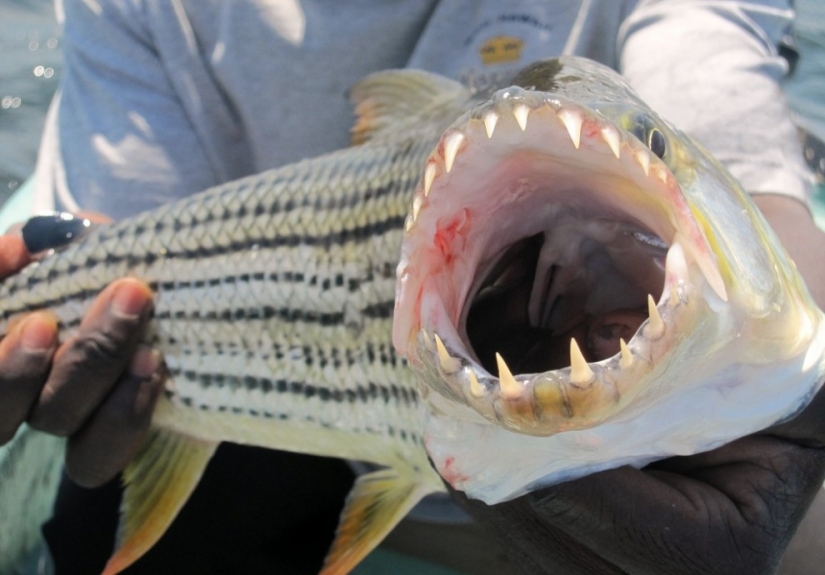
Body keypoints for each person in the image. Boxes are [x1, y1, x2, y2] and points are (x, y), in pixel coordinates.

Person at [2, 0, 824, 573]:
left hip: (593, 465)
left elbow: (721, 105)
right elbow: (149, 259)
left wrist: (795, 373)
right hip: (273, 422)